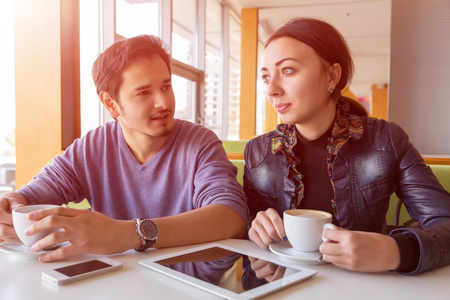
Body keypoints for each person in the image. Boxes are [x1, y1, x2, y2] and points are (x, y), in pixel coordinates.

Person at [0, 35, 248, 262]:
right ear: (111, 104)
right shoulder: (92, 147)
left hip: (192, 286)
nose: (163, 102)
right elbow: (31, 196)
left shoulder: (200, 143)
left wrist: (130, 233)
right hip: (116, 280)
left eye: (166, 87)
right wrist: (11, 203)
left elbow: (232, 216)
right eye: (143, 93)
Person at [244, 18, 450, 275]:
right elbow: (245, 231)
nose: (272, 89)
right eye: (265, 77)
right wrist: (255, 229)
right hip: (284, 287)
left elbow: (445, 223)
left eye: (287, 70)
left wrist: (395, 251)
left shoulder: (386, 140)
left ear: (332, 75)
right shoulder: (257, 153)